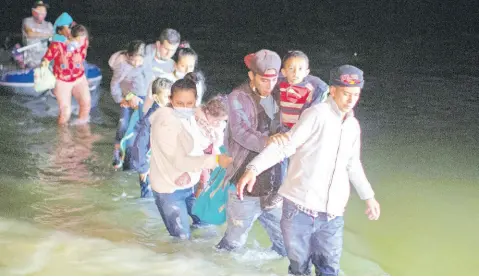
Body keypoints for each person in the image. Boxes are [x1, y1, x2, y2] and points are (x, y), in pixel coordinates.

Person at [236, 65, 381, 276]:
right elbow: (286, 145)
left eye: (356, 95)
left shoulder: (353, 126)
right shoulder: (316, 115)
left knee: (329, 270)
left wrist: (369, 196)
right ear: (332, 90)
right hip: (299, 210)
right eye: (346, 94)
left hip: (332, 215)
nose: (351, 100)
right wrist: (253, 169)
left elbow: (353, 164)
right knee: (299, 269)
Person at [215, 49, 286, 257]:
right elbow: (240, 132)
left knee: (285, 243)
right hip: (243, 185)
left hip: (274, 184)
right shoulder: (237, 97)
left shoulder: (278, 94)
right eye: (264, 80)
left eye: (274, 80)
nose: (269, 85)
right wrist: (269, 141)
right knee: (233, 242)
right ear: (251, 75)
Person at [148, 78, 232, 239]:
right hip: (169, 189)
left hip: (189, 185)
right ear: (170, 100)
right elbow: (180, 161)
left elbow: (196, 148)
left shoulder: (192, 118)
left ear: (196, 102)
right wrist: (215, 160)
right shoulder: (165, 124)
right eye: (180, 103)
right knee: (182, 239)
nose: (185, 108)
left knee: (208, 226)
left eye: (190, 104)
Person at [41, 13, 91, 126]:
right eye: (68, 27)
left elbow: (83, 59)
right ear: (59, 31)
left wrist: (74, 41)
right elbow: (46, 59)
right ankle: (62, 138)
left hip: (79, 77)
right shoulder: (56, 45)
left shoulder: (82, 39)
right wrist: (44, 68)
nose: (71, 28)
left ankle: (82, 132)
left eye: (71, 26)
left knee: (86, 104)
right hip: (62, 80)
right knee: (65, 112)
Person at [109, 40, 150, 169]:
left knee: (142, 127)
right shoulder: (123, 66)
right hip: (128, 97)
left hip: (143, 97)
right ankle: (117, 153)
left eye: (139, 60)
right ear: (128, 56)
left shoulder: (146, 61)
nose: (137, 64)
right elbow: (114, 83)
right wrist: (120, 99)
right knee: (123, 124)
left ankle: (137, 155)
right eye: (133, 60)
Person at [130, 77, 173, 198]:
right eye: (166, 97)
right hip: (149, 165)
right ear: (155, 97)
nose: (170, 99)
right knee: (148, 198)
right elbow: (140, 143)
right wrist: (143, 168)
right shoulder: (151, 119)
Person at [22, 1, 53, 68]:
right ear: (33, 11)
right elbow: (30, 34)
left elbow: (53, 39)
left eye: (44, 11)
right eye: (40, 10)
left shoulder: (48, 24)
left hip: (44, 59)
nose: (42, 13)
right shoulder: (27, 21)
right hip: (30, 60)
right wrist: (47, 35)